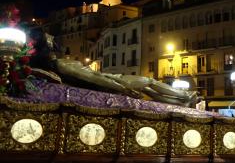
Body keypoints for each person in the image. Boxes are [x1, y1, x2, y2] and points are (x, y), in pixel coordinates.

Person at [29, 30, 199, 107]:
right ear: (48, 44)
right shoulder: (63, 64)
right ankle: (184, 95)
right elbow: (93, 78)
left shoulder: (59, 64)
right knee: (149, 81)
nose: (52, 36)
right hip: (110, 81)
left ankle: (180, 102)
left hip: (107, 80)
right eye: (48, 36)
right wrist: (120, 86)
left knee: (147, 88)